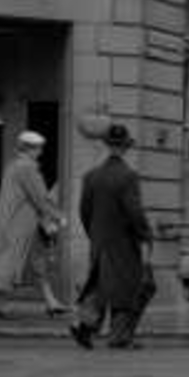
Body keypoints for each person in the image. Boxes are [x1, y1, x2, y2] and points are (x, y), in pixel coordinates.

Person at [70, 123, 154, 350]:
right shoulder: (128, 177)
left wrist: (94, 234)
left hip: (99, 241)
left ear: (107, 145)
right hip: (123, 242)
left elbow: (84, 211)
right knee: (130, 287)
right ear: (125, 148)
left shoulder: (91, 177)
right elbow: (134, 212)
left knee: (100, 285)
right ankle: (119, 336)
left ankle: (84, 326)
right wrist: (146, 234)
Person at [0, 130, 67, 318]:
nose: (41, 152)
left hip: (18, 223)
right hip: (22, 225)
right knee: (21, 263)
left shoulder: (15, 166)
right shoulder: (27, 167)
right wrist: (58, 216)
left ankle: (50, 303)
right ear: (29, 149)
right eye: (38, 148)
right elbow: (39, 196)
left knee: (34, 263)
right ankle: (1, 305)